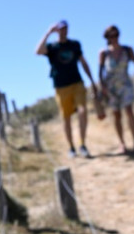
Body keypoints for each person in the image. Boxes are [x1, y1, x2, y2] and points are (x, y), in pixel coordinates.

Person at [35, 20, 98, 158]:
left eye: (65, 28)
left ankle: (82, 144)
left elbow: (83, 62)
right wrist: (48, 33)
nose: (63, 31)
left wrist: (92, 81)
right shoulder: (52, 47)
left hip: (77, 83)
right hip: (61, 87)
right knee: (66, 118)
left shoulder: (74, 45)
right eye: (60, 29)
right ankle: (71, 147)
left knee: (83, 111)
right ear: (57, 31)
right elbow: (38, 51)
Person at [98, 24, 134, 155]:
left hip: (125, 84)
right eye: (111, 35)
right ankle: (122, 143)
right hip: (111, 87)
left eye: (116, 34)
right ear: (107, 37)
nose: (114, 38)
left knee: (129, 111)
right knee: (116, 114)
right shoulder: (103, 53)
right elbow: (100, 72)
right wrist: (102, 88)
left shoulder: (127, 50)